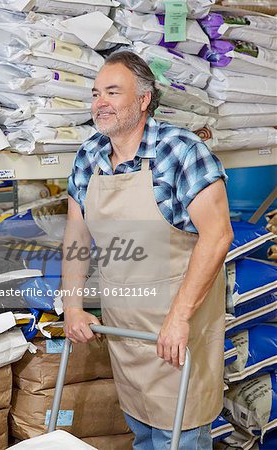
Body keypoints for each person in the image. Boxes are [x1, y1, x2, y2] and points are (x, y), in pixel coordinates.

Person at [63, 51, 234, 450]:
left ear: (143, 100)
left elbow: (218, 235)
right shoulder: (88, 156)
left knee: (181, 438)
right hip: (126, 332)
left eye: (112, 91)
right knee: (142, 434)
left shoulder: (181, 151)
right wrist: (72, 304)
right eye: (94, 93)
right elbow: (76, 234)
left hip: (178, 333)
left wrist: (179, 317)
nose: (99, 102)